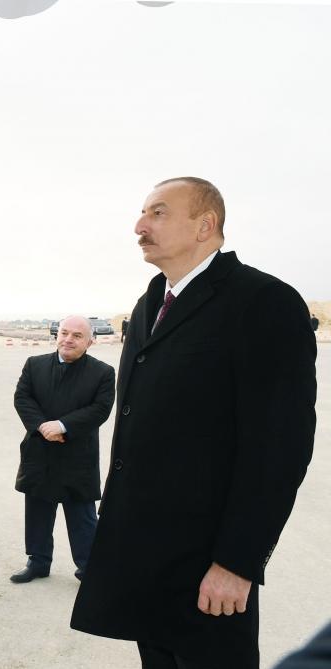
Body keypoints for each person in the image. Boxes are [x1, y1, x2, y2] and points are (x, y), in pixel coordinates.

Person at [71, 177, 316, 669]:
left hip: (209, 565)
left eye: (158, 213)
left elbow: (278, 448)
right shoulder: (148, 307)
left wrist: (237, 563)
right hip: (146, 558)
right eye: (142, 214)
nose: (139, 226)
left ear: (206, 225)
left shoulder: (263, 302)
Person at [10, 315, 115, 584]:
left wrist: (63, 426)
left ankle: (88, 569)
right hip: (40, 451)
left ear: (90, 341)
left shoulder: (102, 372)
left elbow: (100, 409)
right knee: (37, 512)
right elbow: (22, 397)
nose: (68, 339)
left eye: (77, 336)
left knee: (82, 517)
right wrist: (43, 427)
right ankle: (38, 562)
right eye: (64, 333)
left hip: (77, 456)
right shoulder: (35, 365)